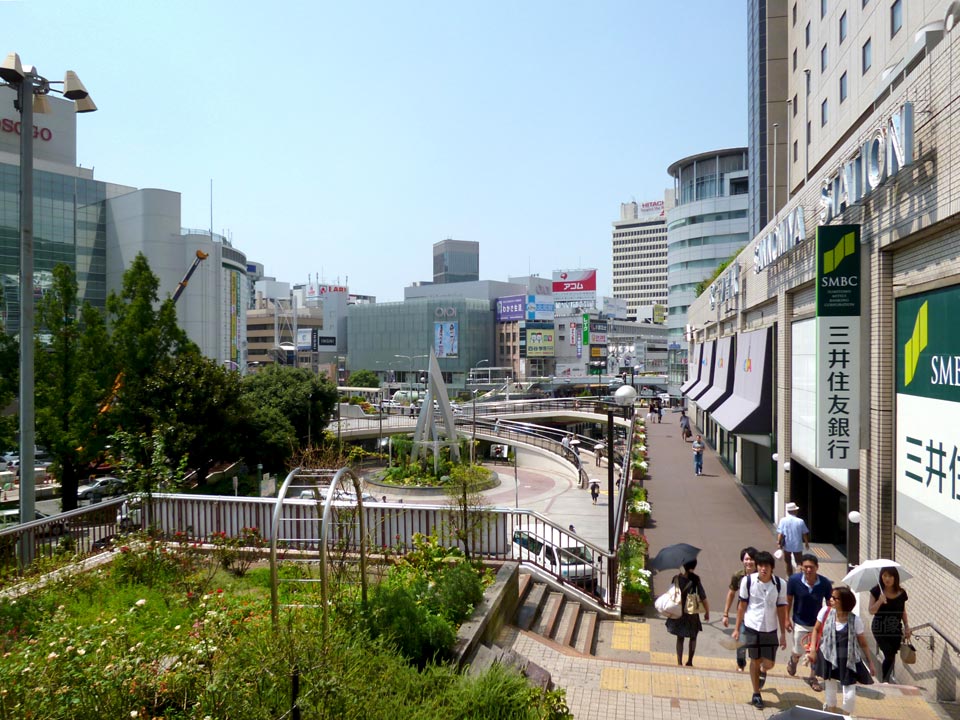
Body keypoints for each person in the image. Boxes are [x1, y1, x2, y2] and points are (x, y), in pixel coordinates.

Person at [732, 550, 789, 709]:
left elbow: (781, 609)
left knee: (769, 663)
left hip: (770, 629)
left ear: (772, 568)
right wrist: (737, 629)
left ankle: (763, 670)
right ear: (757, 566)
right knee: (755, 660)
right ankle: (756, 693)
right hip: (752, 626)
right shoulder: (748, 581)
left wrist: (783, 634)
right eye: (761, 566)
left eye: (767, 566)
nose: (763, 569)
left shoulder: (780, 584)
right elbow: (742, 606)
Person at [808, 586, 876, 715]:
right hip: (828, 657)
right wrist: (812, 650)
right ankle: (832, 714)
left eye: (835, 598)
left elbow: (863, 643)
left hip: (848, 660)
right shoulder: (825, 612)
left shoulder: (855, 620)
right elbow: (816, 629)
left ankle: (845, 716)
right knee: (830, 693)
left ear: (844, 601)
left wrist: (870, 662)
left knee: (849, 697)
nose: (831, 599)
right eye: (831, 597)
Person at [786, 553, 833, 691]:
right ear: (801, 567)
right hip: (799, 621)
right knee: (799, 650)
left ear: (817, 567)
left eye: (811, 567)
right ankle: (793, 660)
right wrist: (786, 618)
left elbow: (830, 602)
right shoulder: (794, 580)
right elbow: (788, 600)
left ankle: (813, 677)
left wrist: (830, 620)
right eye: (805, 567)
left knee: (815, 651)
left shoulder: (825, 583)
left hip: (817, 624)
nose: (808, 570)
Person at [869, 566, 911, 682]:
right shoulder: (876, 591)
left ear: (895, 577)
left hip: (895, 627)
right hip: (880, 627)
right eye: (884, 575)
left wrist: (907, 626)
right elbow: (871, 611)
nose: (887, 579)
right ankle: (885, 681)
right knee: (888, 653)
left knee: (892, 655)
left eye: (890, 576)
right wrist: (880, 601)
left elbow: (903, 611)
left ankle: (886, 680)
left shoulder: (901, 593)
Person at [665, 559, 710, 666]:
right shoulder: (695, 579)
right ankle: (690, 661)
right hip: (692, 612)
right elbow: (703, 597)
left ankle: (679, 662)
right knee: (693, 636)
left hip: (679, 611)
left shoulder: (676, 578)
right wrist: (707, 612)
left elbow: (671, 593)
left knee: (680, 638)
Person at [722, 546, 758, 672]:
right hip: (743, 614)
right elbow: (731, 593)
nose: (749, 562)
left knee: (756, 643)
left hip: (758, 615)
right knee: (741, 641)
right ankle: (741, 665)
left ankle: (756, 665)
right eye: (746, 559)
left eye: (751, 559)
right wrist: (725, 614)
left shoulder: (762, 576)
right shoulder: (738, 576)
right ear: (742, 560)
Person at [776, 502, 810, 576]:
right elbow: (804, 533)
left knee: (787, 562)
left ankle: (789, 577)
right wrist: (806, 543)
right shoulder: (800, 521)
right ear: (794, 511)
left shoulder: (783, 520)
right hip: (797, 545)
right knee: (799, 562)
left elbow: (780, 533)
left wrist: (778, 543)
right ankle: (798, 576)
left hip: (787, 545)